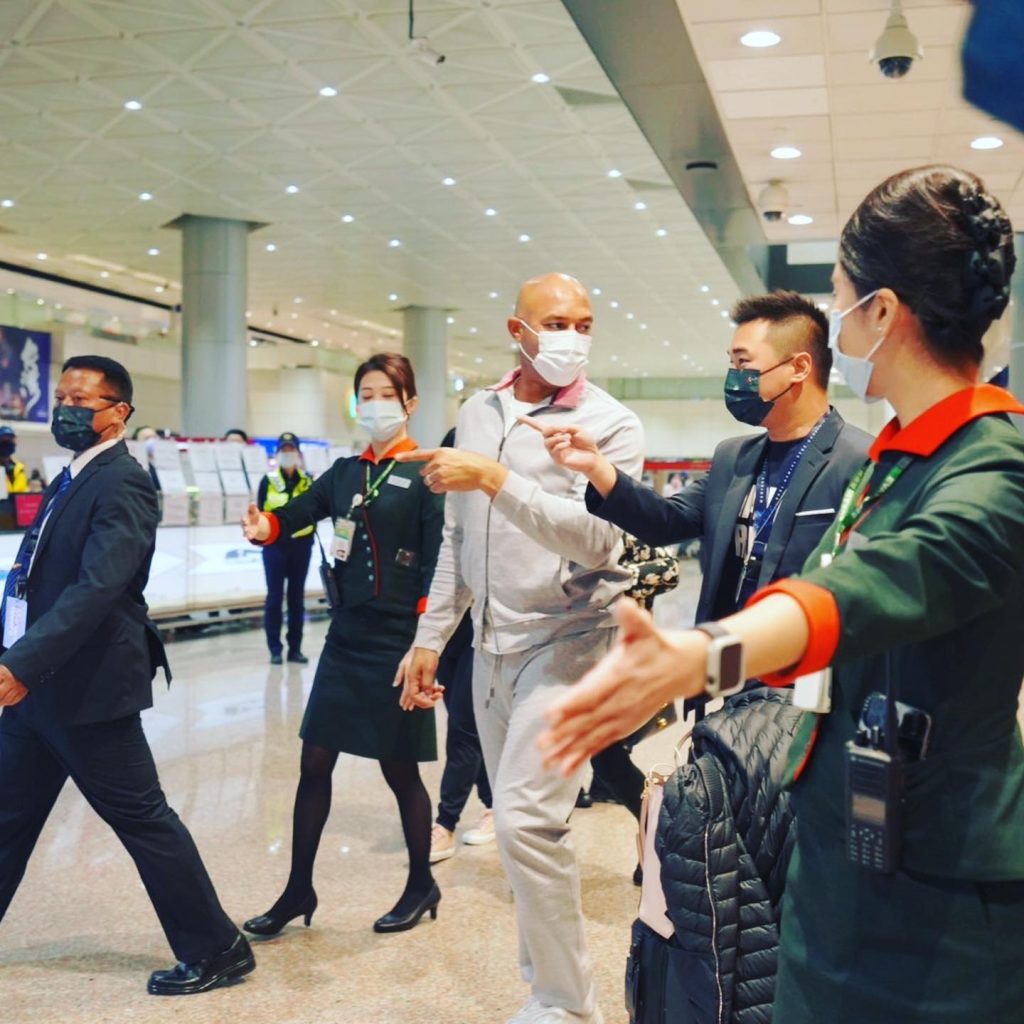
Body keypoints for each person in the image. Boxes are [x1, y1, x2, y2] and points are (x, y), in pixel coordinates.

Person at [540, 166, 1024, 1024]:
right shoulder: (898, 458)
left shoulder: (994, 469)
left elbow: (880, 582)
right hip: (841, 851)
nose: (837, 317)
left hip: (936, 896)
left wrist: (708, 652)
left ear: (883, 311)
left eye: (841, 295)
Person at [398, 272, 644, 1024]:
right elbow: (458, 537)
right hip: (491, 645)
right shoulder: (480, 410)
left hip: (571, 640)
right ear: (518, 330)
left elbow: (602, 539)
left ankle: (569, 1005)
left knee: (525, 820)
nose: (572, 336)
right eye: (556, 322)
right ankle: (546, 989)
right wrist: (432, 636)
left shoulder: (612, 423)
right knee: (519, 826)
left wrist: (497, 478)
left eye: (584, 323)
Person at [0, 355, 254, 996]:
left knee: (144, 820)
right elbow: (36, 579)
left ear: (118, 412)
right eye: (61, 396)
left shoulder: (123, 482)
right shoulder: (72, 476)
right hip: (36, 686)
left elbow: (97, 589)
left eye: (80, 399)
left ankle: (218, 948)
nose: (65, 408)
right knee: (6, 814)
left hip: (85, 689)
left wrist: (23, 663)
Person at [241, 353, 445, 936]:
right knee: (314, 762)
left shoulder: (428, 474)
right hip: (347, 636)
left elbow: (437, 565)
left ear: (409, 403)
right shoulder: (344, 473)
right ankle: (297, 890)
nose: (375, 405)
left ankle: (420, 882)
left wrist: (425, 643)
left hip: (399, 640)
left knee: (399, 769)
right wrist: (265, 527)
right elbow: (296, 514)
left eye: (387, 395)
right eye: (366, 395)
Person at [551, 290, 870, 633]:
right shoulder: (734, 458)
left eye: (743, 363)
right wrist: (597, 467)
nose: (734, 376)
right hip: (725, 651)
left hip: (803, 656)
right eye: (731, 363)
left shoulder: (860, 460)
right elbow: (666, 522)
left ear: (799, 367)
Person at [429, 431, 494, 864]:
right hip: (444, 627)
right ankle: (493, 804)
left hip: (481, 624)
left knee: (464, 727)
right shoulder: (434, 500)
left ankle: (445, 823)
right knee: (462, 717)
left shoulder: (487, 502)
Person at [257, 432, 315, 665]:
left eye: (291, 449)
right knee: (274, 597)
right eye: (284, 449)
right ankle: (274, 648)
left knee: (296, 598)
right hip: (274, 547)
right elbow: (260, 514)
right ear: (278, 453)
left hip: (301, 545)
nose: (288, 453)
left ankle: (295, 649)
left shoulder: (307, 480)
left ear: (298, 453)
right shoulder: (268, 480)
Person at [0, 425, 29, 494]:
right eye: (5, 440)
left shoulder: (19, 467)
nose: (9, 443)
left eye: (11, 440)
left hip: (18, 500)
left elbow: (24, 490)